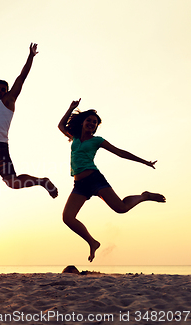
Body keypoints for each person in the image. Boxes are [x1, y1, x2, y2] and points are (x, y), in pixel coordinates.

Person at [58, 98, 166, 262]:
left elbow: (121, 153)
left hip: (95, 179)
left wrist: (145, 161)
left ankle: (144, 196)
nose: (92, 124)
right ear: (82, 122)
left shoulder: (97, 141)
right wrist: (70, 108)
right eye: (89, 120)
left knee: (121, 208)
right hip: (79, 185)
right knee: (67, 218)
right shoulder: (74, 137)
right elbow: (60, 126)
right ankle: (92, 242)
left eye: (94, 123)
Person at [0, 43, 58, 198]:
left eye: (4, 89)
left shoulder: (8, 102)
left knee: (13, 183)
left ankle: (42, 181)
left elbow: (21, 78)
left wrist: (30, 56)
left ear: (7, 93)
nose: (0, 91)